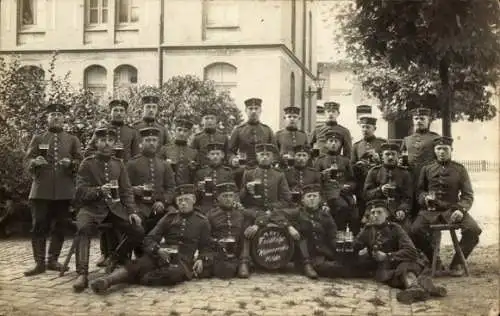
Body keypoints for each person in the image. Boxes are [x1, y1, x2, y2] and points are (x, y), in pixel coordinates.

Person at [89, 184, 212, 294]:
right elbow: (150, 238)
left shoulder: (202, 221)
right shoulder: (169, 217)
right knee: (138, 264)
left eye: (187, 199)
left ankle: (137, 278)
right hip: (161, 254)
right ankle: (106, 281)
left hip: (182, 261)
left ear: (194, 200)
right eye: (180, 200)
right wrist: (157, 250)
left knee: (173, 275)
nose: (183, 203)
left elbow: (206, 246)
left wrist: (201, 259)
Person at [72, 127, 144, 293]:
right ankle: (82, 274)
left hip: (114, 210)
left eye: (110, 140)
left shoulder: (118, 164)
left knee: (138, 230)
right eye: (102, 140)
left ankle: (114, 257)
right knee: (83, 229)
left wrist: (132, 211)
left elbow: (126, 191)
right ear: (96, 143)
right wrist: (99, 190)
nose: (106, 144)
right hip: (91, 209)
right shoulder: (87, 163)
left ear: (114, 143)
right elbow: (80, 191)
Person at [24, 103, 83, 276]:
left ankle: (52, 260)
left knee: (60, 225)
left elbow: (81, 162)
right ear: (47, 118)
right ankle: (39, 262)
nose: (56, 117)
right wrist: (34, 162)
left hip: (64, 190)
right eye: (52, 115)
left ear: (64, 119)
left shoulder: (72, 139)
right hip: (41, 189)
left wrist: (71, 163)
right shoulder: (38, 138)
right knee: (38, 225)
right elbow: (27, 160)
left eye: (59, 115)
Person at [410, 136, 481, 277]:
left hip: (452, 210)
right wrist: (425, 198)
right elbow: (419, 191)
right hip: (431, 211)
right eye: (438, 149)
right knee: (414, 230)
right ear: (434, 151)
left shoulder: (459, 169)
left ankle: (457, 263)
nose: (442, 152)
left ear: (451, 150)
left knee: (473, 230)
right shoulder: (427, 169)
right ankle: (434, 260)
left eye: (445, 149)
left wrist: (461, 209)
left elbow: (468, 195)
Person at [354, 199, 446, 304]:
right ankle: (427, 287)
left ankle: (415, 288)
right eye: (373, 212)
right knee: (397, 275)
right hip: (388, 271)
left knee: (406, 268)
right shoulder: (367, 230)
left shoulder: (396, 228)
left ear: (387, 214)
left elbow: (411, 251)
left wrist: (387, 256)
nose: (375, 215)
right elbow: (354, 246)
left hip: (406, 262)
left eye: (379, 212)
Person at [85, 99, 141, 267]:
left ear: (126, 113)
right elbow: (88, 151)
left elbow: (137, 156)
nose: (118, 113)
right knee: (105, 212)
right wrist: (105, 153)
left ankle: (119, 254)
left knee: (122, 216)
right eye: (115, 110)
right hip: (103, 176)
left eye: (121, 111)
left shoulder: (131, 132)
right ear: (110, 112)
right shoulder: (101, 131)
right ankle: (105, 253)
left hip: (123, 175)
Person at [238, 143, 299, 278]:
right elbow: (241, 199)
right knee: (246, 224)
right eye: (262, 155)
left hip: (275, 211)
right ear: (257, 156)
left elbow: (286, 198)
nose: (264, 157)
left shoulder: (279, 175)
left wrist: (271, 209)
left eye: (268, 155)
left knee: (289, 218)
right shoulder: (248, 173)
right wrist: (246, 190)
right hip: (254, 209)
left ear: (273, 157)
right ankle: (244, 261)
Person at [126, 127, 176, 236]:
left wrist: (163, 201)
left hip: (161, 205)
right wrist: (134, 189)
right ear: (141, 143)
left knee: (175, 217)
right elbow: (125, 187)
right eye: (148, 140)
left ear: (158, 143)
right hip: (140, 205)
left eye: (154, 140)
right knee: (136, 225)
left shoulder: (164, 164)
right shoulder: (132, 164)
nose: (151, 143)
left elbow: (171, 188)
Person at [291, 183, 338, 279]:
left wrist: (341, 250)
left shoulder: (325, 215)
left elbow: (333, 236)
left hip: (324, 254)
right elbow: (276, 214)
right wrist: (289, 227)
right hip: (306, 257)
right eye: (309, 196)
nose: (312, 198)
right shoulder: (297, 213)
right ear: (303, 200)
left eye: (315, 196)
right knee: (333, 268)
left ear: (320, 199)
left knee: (348, 261)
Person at [314, 131, 357, 233]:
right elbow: (315, 180)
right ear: (326, 143)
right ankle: (335, 233)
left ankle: (345, 236)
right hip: (326, 194)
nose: (333, 144)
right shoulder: (320, 161)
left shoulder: (345, 161)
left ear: (341, 144)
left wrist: (348, 186)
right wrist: (323, 175)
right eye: (331, 141)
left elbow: (352, 180)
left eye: (336, 141)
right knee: (341, 207)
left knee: (354, 214)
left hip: (344, 194)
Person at [363, 142, 413, 231]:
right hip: (376, 208)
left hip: (397, 209)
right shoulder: (374, 172)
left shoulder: (405, 173)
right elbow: (366, 194)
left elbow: (408, 197)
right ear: (382, 156)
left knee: (406, 231)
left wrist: (403, 210)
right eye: (387, 154)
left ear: (398, 156)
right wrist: (380, 190)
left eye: (393, 154)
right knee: (372, 233)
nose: (390, 157)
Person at [201, 182, 246, 279]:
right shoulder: (210, 215)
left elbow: (243, 237)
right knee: (223, 271)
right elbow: (205, 237)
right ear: (218, 198)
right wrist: (217, 242)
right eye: (225, 196)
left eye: (231, 196)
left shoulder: (240, 214)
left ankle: (241, 263)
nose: (228, 199)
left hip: (236, 252)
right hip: (218, 251)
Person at [400, 107, 440, 216]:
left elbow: (440, 161)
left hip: (428, 180)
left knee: (428, 209)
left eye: (422, 118)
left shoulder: (435, 138)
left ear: (428, 120)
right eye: (416, 118)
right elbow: (402, 158)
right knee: (411, 208)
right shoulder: (407, 139)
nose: (419, 121)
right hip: (411, 179)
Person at [351, 114, 386, 220]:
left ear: (374, 128)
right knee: (362, 210)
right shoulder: (356, 145)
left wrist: (377, 159)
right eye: (363, 126)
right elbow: (352, 164)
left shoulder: (382, 143)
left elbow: (388, 163)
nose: (365, 129)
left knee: (377, 208)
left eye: (368, 127)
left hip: (377, 182)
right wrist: (358, 165)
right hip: (362, 182)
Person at [228, 98, 275, 168]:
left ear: (260, 110)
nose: (253, 111)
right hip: (244, 169)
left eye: (256, 108)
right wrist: (233, 159)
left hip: (263, 169)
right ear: (246, 111)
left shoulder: (267, 130)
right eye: (250, 109)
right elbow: (230, 151)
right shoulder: (238, 130)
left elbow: (275, 152)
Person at [194, 142, 234, 214]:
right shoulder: (200, 172)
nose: (215, 156)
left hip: (223, 207)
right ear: (208, 156)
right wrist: (198, 189)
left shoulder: (227, 172)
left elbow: (234, 191)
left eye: (218, 154)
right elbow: (195, 196)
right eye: (212, 154)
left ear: (222, 155)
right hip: (206, 207)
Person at [161, 117, 199, 185]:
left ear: (189, 133)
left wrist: (193, 168)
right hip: (169, 187)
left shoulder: (194, 152)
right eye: (179, 130)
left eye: (185, 131)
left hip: (188, 188)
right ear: (174, 131)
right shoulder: (165, 149)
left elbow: (197, 175)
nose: (182, 133)